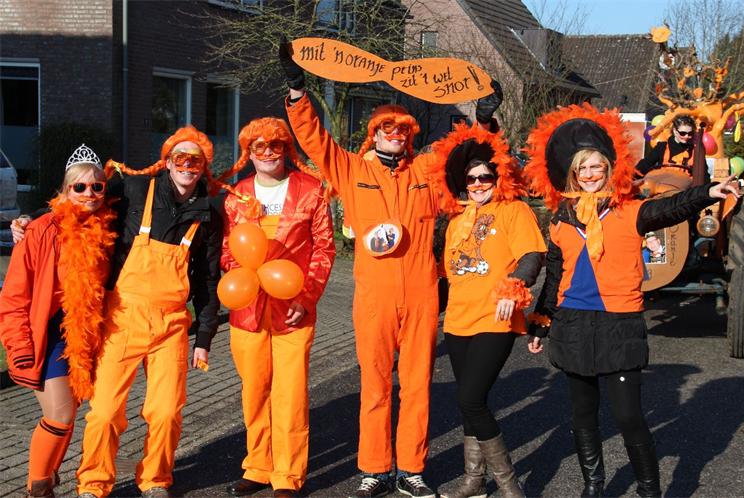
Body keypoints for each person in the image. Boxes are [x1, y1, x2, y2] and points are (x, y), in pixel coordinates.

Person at [278, 39, 504, 498]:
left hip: (421, 294)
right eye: (386, 129)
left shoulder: (426, 170)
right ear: (375, 134)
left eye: (402, 129)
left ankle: (412, 470)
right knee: (376, 385)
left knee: (417, 386)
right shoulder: (351, 170)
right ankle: (375, 469)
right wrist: (298, 91)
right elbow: (314, 139)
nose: (394, 135)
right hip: (374, 297)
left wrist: (484, 119)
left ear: (409, 136)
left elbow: (469, 155)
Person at [522, 103, 740, 498]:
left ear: (609, 170)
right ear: (574, 174)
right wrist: (541, 321)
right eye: (583, 169)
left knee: (628, 416)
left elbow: (672, 207)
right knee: (582, 416)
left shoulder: (631, 211)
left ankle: (648, 490)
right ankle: (593, 485)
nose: (591, 175)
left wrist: (709, 191)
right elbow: (554, 276)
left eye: (597, 167)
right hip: (573, 322)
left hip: (619, 323)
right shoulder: (561, 219)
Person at [71, 126, 224, 498]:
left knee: (167, 411)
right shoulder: (135, 190)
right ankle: (93, 483)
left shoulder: (209, 214)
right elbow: (83, 204)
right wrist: (35, 219)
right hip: (123, 316)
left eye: (195, 161)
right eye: (180, 158)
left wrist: (204, 337)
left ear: (203, 167)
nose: (187, 166)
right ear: (167, 161)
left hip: (171, 324)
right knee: (104, 410)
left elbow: (207, 279)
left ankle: (156, 479)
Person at [218, 117, 335, 498]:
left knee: (290, 394)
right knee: (254, 391)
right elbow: (227, 250)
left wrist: (307, 296)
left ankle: (287, 473)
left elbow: (324, 248)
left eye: (276, 145)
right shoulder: (236, 196)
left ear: (287, 149)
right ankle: (258, 466)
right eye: (259, 147)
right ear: (248, 153)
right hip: (247, 310)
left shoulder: (312, 191)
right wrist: (239, 275)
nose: (268, 153)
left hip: (293, 308)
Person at [432, 125, 546, 498]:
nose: (479, 184)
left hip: (495, 318)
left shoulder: (514, 210)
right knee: (471, 402)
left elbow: (532, 255)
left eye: (485, 177)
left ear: (498, 178)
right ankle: (474, 481)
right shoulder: (456, 220)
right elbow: (447, 274)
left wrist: (515, 287)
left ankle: (509, 484)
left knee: (470, 398)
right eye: (472, 179)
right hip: (458, 321)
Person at [0, 145, 116, 498]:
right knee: (60, 415)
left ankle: (47, 477)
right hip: (45, 332)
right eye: (79, 187)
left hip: (83, 332)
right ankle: (38, 486)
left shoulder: (108, 227)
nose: (89, 193)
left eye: (96, 186)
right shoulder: (39, 230)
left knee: (69, 412)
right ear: (65, 190)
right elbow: (14, 297)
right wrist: (19, 346)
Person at [635, 115, 701, 179]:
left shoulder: (696, 151)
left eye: (690, 133)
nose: (686, 136)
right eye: (683, 133)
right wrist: (634, 177)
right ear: (675, 131)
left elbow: (702, 176)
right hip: (663, 184)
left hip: (686, 185)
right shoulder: (662, 147)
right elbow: (645, 164)